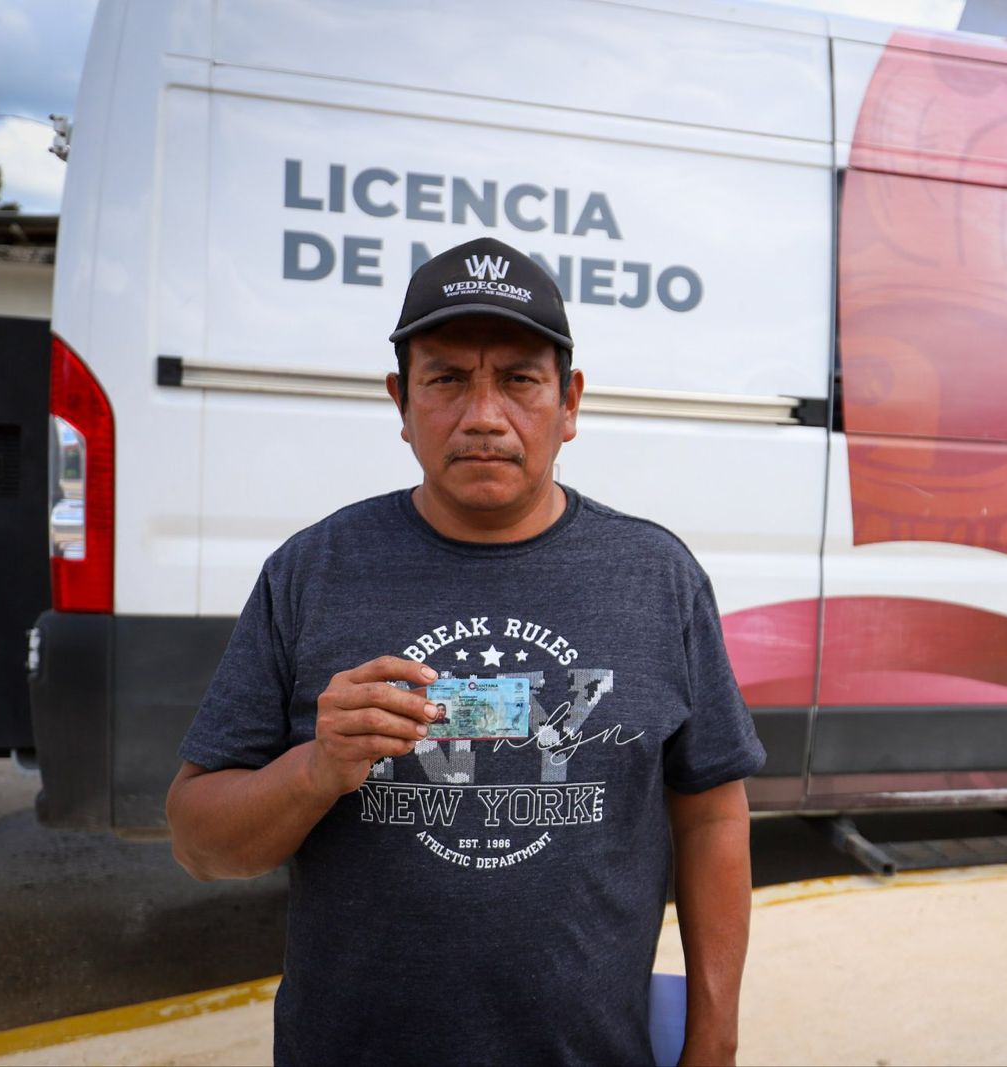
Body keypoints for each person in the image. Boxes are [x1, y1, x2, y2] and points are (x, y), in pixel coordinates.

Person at [166, 236, 766, 1066]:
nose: (484, 415)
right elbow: (199, 841)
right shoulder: (313, 572)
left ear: (569, 403)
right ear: (401, 403)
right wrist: (315, 770)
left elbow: (712, 816)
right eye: (446, 379)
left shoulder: (656, 577)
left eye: (519, 379)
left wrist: (715, 1040)